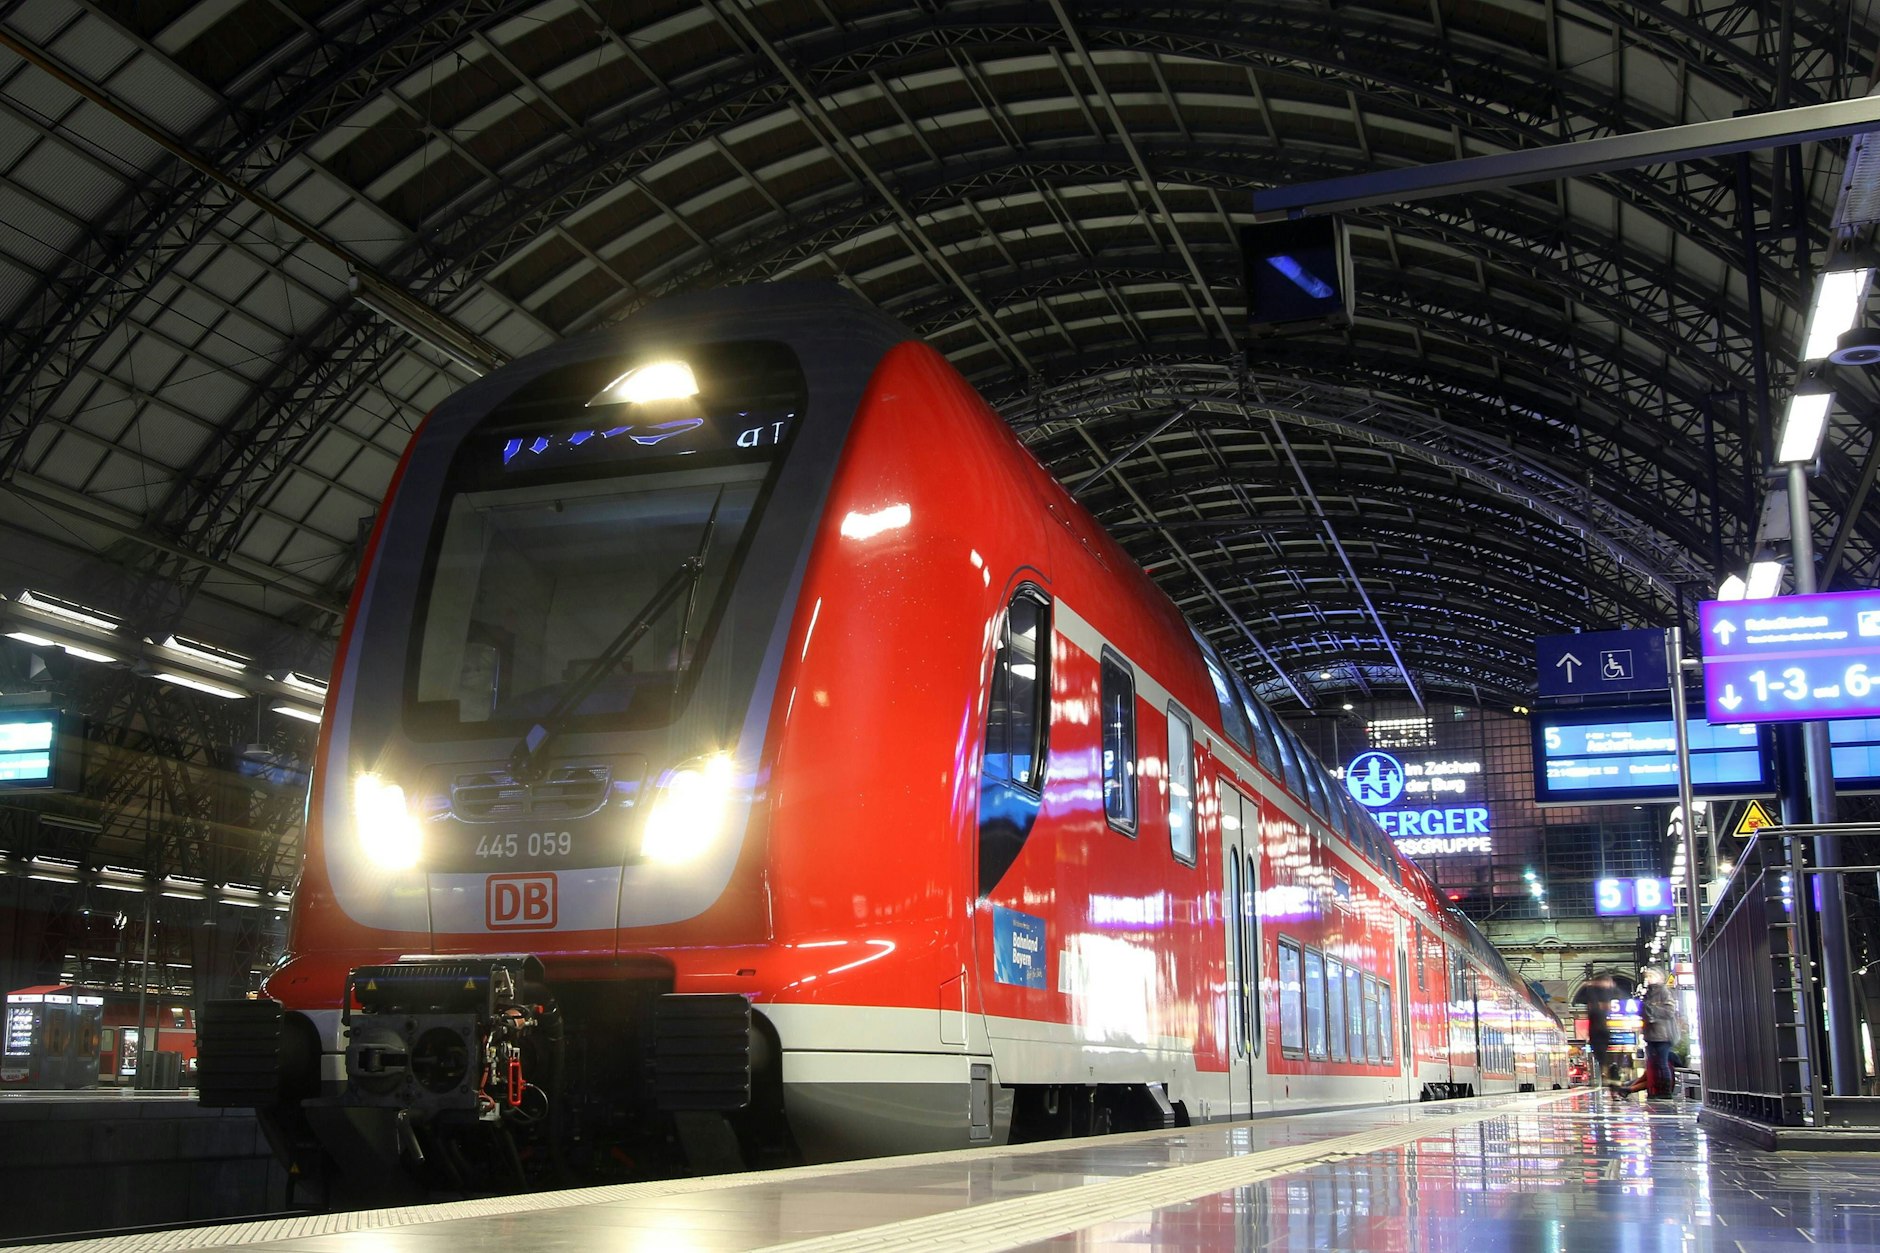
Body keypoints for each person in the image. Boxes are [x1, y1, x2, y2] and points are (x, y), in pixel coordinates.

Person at [1612, 970, 1677, 1099]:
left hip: (1662, 1035)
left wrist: (1649, 1009)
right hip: (1651, 1034)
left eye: (1651, 976)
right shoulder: (1649, 993)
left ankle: (1664, 1092)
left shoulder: (1663, 991)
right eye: (1647, 976)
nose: (1648, 978)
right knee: (1653, 1066)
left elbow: (1669, 1011)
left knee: (1661, 1064)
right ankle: (1649, 1090)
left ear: (1659, 977)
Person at [1583, 974, 1616, 1089]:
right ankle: (1605, 1076)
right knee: (1601, 1056)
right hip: (1600, 1031)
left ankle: (1605, 1076)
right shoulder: (1600, 996)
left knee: (1601, 1056)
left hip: (1598, 1031)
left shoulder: (1598, 998)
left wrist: (1592, 984)